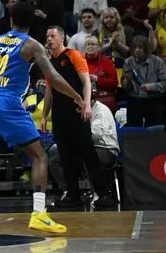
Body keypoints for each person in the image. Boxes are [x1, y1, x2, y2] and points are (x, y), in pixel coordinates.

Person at [0, 2, 85, 235]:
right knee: (39, 156)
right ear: (32, 23)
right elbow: (52, 76)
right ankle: (39, 214)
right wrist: (77, 97)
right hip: (7, 103)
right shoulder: (32, 45)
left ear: (11, 21)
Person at [42, 26, 115, 208]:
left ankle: (103, 193)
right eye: (47, 36)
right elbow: (49, 91)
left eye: (53, 36)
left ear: (62, 38)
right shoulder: (48, 62)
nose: (49, 39)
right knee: (65, 154)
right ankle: (73, 194)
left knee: (88, 153)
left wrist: (86, 104)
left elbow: (86, 82)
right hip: (59, 114)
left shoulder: (73, 55)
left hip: (77, 111)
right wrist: (44, 115)